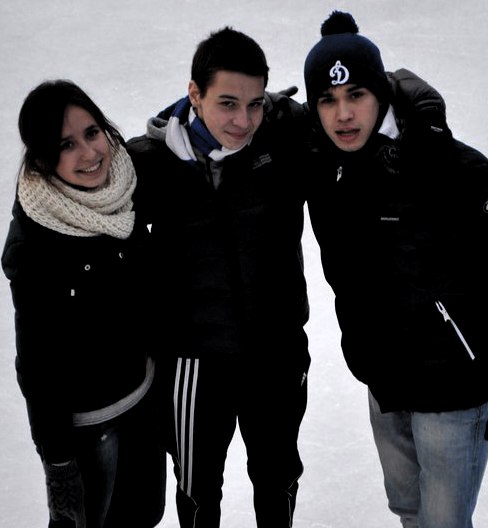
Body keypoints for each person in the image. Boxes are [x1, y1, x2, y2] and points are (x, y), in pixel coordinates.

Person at [303, 10, 488, 528]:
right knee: (408, 510)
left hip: (453, 387)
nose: (343, 114)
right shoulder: (322, 163)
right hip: (384, 378)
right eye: (327, 100)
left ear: (381, 94)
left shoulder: (453, 166)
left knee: (443, 522)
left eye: (356, 95)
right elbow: (232, 116)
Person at [127, 26, 310, 528]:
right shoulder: (148, 163)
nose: (243, 121)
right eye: (228, 103)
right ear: (194, 93)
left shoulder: (284, 135)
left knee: (278, 477)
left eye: (254, 104)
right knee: (197, 486)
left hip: (276, 355)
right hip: (193, 365)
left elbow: (364, 96)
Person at [1, 80, 166, 528]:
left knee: (146, 517)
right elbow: (36, 366)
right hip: (92, 433)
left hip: (143, 406)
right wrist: (58, 465)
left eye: (92, 133)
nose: (90, 153)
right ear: (42, 160)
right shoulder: (35, 246)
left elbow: (181, 131)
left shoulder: (124, 185)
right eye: (66, 145)